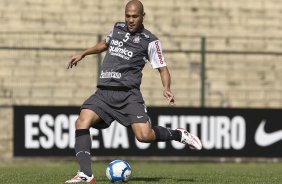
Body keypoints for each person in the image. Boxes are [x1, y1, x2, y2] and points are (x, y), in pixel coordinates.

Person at [65, 0, 202, 183]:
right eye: (128, 16)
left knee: (144, 136)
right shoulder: (117, 28)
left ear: (143, 16)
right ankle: (85, 174)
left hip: (128, 95)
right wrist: (83, 53)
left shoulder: (150, 41)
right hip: (104, 93)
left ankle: (179, 135)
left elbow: (162, 68)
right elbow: (104, 44)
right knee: (82, 121)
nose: (130, 20)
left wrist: (166, 88)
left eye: (135, 16)